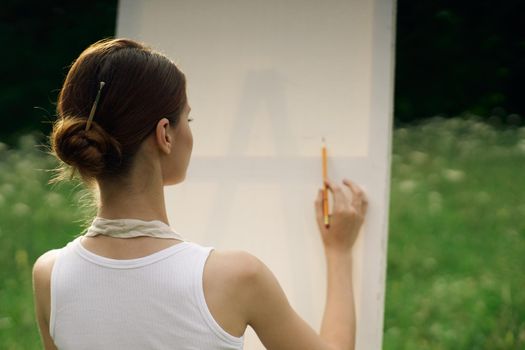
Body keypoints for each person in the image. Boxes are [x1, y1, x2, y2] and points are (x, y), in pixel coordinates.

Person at [32, 38, 368, 350]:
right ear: (165, 134)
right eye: (187, 118)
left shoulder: (49, 276)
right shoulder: (236, 278)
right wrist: (339, 251)